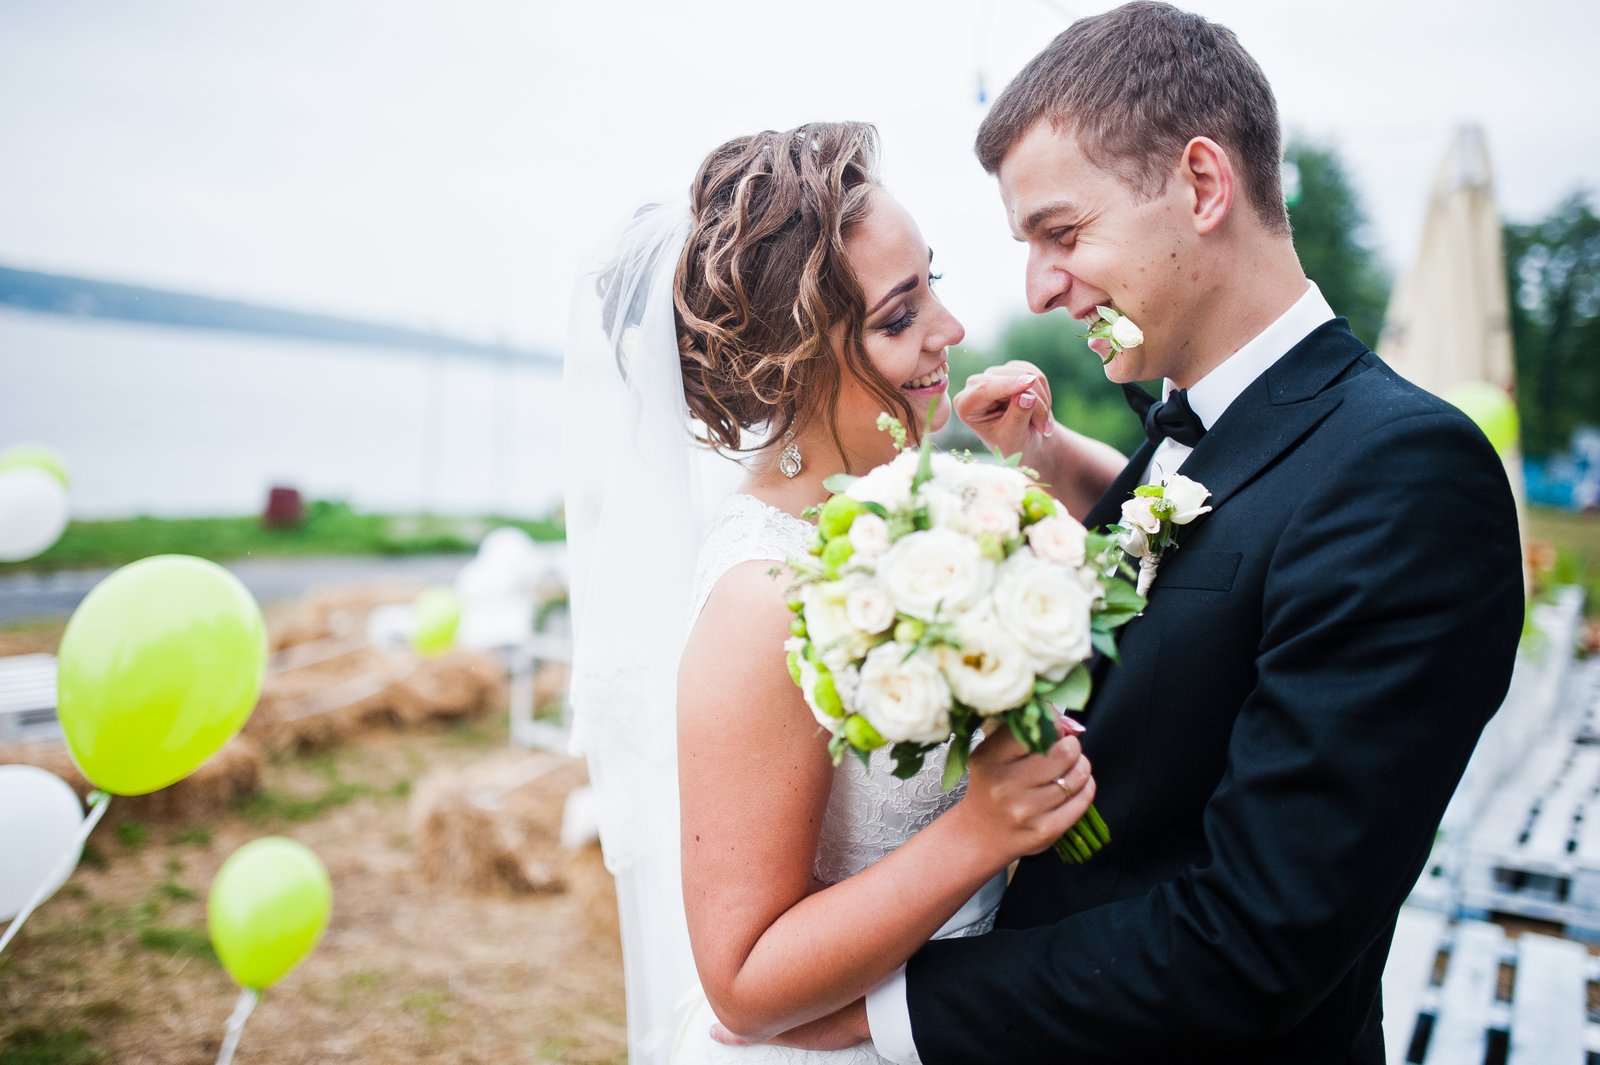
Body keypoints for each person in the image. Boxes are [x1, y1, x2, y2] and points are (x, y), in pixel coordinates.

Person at [728, 4, 1525, 1063]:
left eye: (1060, 234)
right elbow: (1201, 577)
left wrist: (886, 1014)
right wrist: (1052, 461)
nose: (1037, 287)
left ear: (1202, 186)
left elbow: (1259, 938)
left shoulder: (1409, 477)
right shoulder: (1194, 432)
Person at [563, 121, 1098, 1065]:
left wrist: (1023, 465)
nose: (951, 330)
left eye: (930, 280)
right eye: (899, 317)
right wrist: (982, 829)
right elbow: (742, 979)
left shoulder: (900, 514)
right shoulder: (762, 599)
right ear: (796, 363)